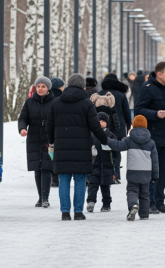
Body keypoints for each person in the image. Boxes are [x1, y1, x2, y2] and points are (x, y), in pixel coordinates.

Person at [47, 73, 109, 221]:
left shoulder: (56, 102)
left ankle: (65, 212)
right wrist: (105, 140)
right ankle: (79, 212)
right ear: (83, 86)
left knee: (64, 179)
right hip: (81, 148)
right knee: (80, 179)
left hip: (62, 148)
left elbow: (50, 126)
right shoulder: (87, 104)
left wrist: (51, 142)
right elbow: (95, 126)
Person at [134, 61, 165, 214]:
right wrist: (154, 114)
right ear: (159, 74)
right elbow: (138, 110)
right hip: (152, 137)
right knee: (151, 172)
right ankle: (149, 202)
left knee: (163, 172)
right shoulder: (148, 89)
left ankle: (160, 202)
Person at [107, 115, 160, 221]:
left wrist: (106, 139)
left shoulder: (129, 140)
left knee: (132, 190)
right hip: (146, 172)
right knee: (145, 194)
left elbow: (117, 146)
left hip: (133, 170)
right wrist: (155, 175)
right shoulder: (151, 142)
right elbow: (155, 161)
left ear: (134, 125)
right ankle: (144, 214)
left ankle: (133, 205)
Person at [17, 76, 56, 208]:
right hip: (34, 139)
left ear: (48, 88)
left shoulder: (55, 102)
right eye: (38, 86)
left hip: (49, 139)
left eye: (43, 86)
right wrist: (22, 128)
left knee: (46, 167)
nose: (40, 89)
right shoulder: (29, 102)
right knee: (37, 169)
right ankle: (40, 197)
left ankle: (45, 198)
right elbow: (23, 118)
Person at [87, 112, 118, 213]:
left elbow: (116, 152)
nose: (101, 123)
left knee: (105, 186)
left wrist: (115, 164)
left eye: (103, 121)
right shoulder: (91, 134)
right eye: (99, 121)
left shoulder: (111, 136)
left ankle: (106, 203)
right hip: (94, 165)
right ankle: (91, 202)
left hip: (107, 165)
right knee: (92, 185)